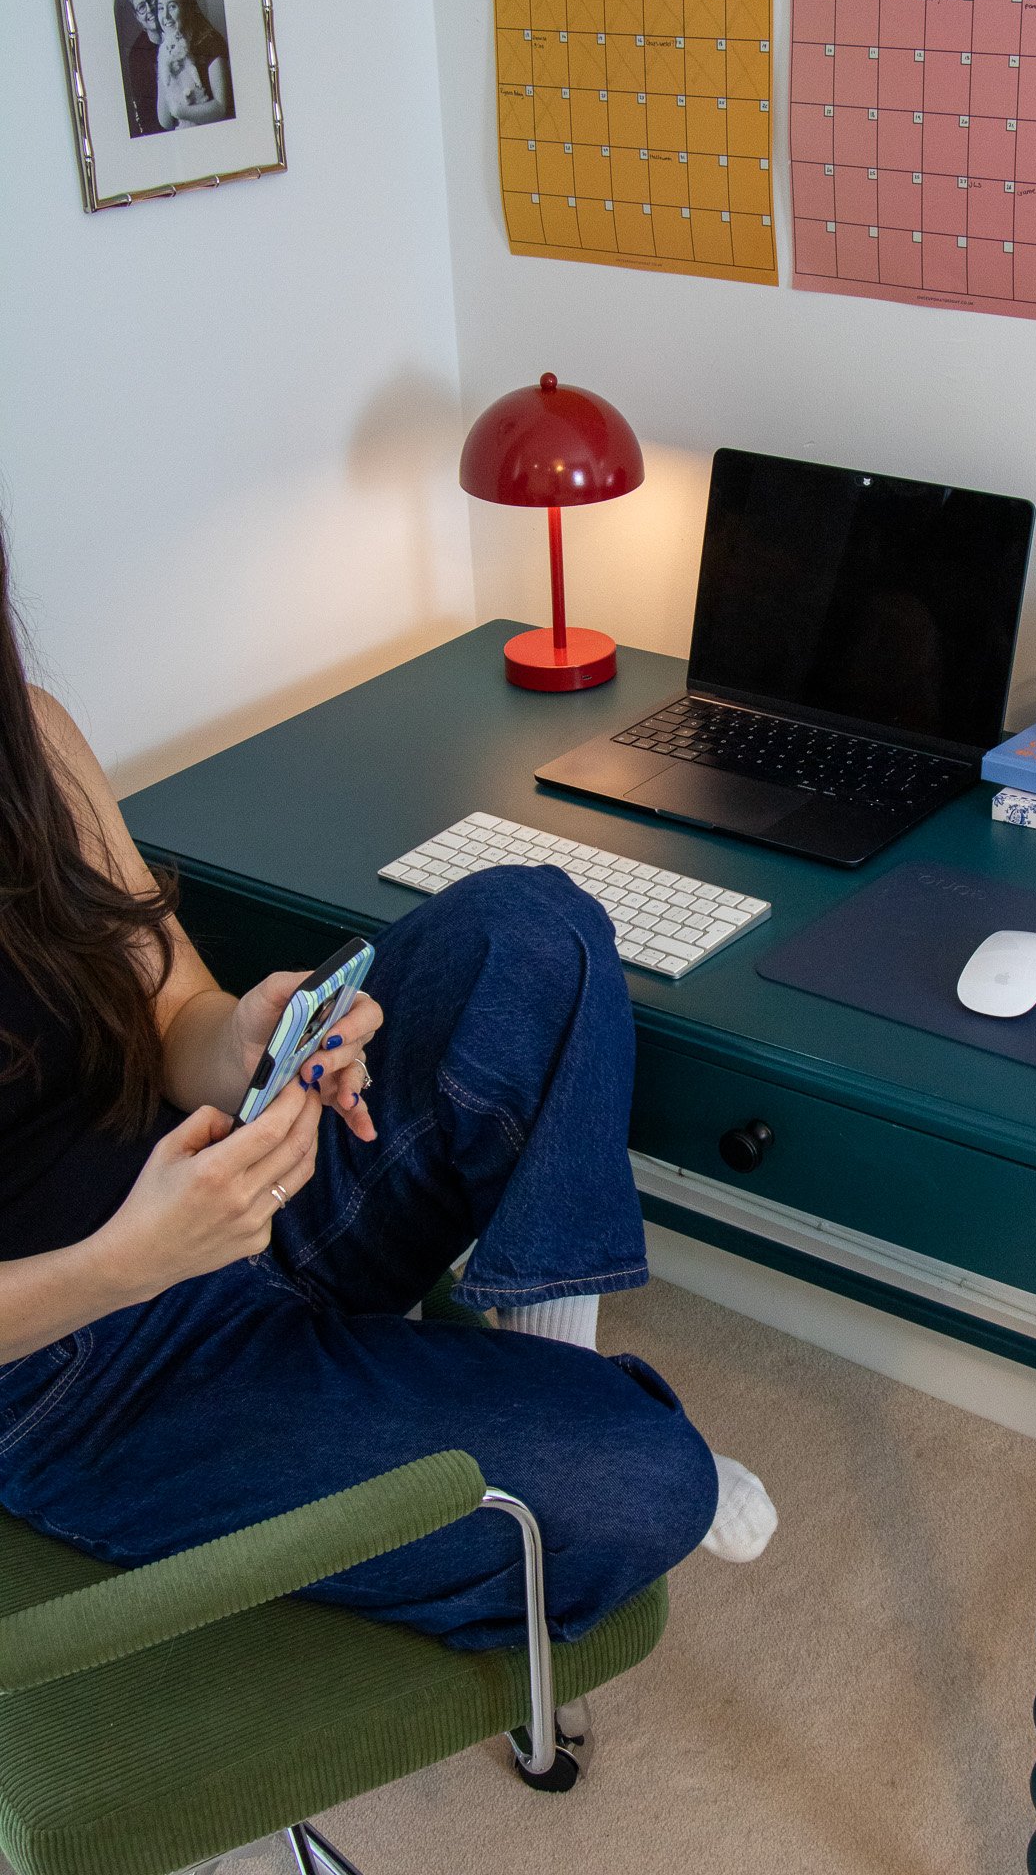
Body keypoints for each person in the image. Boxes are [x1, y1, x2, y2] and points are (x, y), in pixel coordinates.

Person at [0, 525, 775, 1657]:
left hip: (225, 1182)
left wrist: (259, 1037)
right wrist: (136, 1257)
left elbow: (174, 1014)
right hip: (81, 1372)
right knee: (648, 1479)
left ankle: (538, 1377)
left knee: (532, 926)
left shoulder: (29, 741)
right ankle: (538, 1416)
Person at [155, 0, 233, 130]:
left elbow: (222, 107)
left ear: (186, 7)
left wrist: (180, 111)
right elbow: (165, 121)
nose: (165, 16)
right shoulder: (166, 50)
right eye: (160, 8)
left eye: (172, 6)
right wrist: (166, 70)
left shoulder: (211, 42)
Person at [120, 0, 161, 140]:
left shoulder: (182, 30)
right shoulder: (137, 56)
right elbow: (146, 115)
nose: (150, 9)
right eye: (141, 7)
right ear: (137, 16)